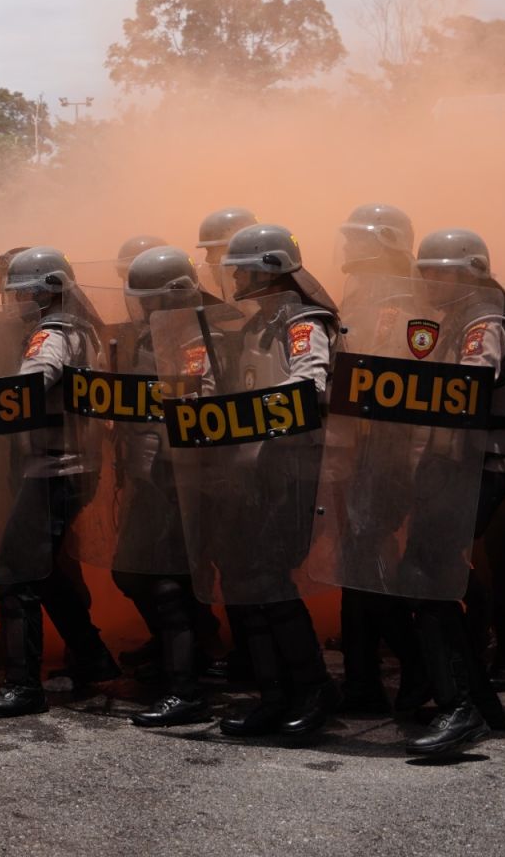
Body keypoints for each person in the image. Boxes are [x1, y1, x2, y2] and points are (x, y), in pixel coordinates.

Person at [0, 247, 120, 717]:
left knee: (14, 572)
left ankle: (23, 685)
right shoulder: (83, 329)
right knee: (47, 570)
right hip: (71, 466)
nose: (16, 301)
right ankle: (93, 657)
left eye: (22, 293)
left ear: (44, 290)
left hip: (55, 469)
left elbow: (31, 384)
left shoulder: (52, 333)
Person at [208, 223, 341, 738]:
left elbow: (309, 381)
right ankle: (273, 694)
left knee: (269, 580)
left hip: (290, 466)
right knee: (244, 577)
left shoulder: (303, 322)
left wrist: (249, 416)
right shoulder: (258, 324)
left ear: (267, 270)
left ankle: (311, 691)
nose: (235, 279)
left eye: (242, 270)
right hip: (253, 466)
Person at [403, 229, 505, 755]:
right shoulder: (451, 319)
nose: (431, 280)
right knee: (428, 574)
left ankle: (461, 708)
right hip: (449, 464)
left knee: (430, 578)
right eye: (426, 270)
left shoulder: (483, 322)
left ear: (470, 275)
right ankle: (477, 699)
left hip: (477, 465)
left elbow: (470, 383)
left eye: (442, 271)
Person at [119, 246, 226, 727]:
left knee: (168, 582)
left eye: (152, 300)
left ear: (178, 296)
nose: (144, 308)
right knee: (129, 572)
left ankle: (186, 688)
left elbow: (204, 403)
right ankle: (189, 649)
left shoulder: (204, 337)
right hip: (153, 470)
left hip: (188, 474)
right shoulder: (152, 335)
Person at [330, 201, 428, 719]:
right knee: (354, 562)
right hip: (361, 445)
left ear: (384, 242)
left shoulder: (407, 300)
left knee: (367, 558)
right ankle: (362, 679)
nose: (348, 247)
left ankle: (417, 664)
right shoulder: (362, 294)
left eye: (357, 238)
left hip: (391, 448)